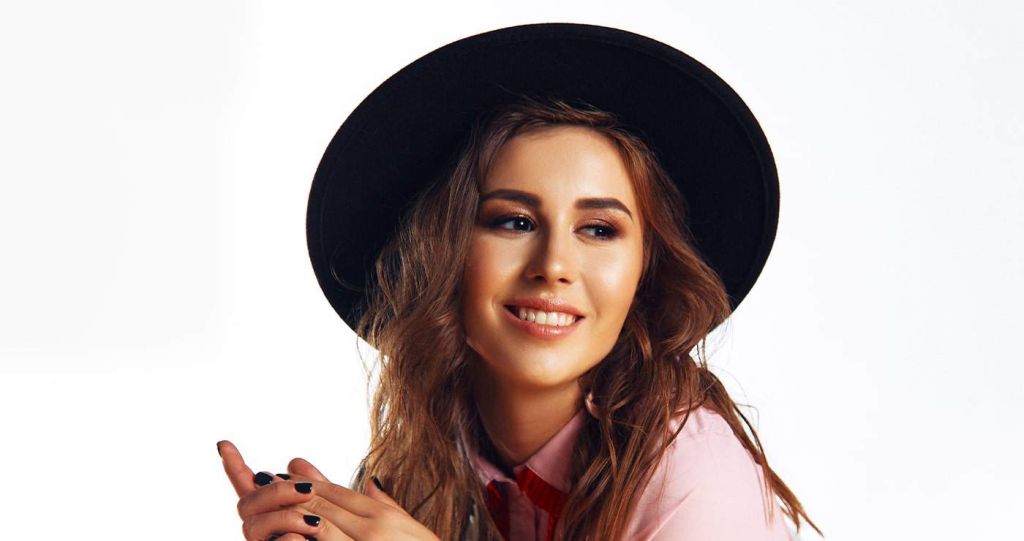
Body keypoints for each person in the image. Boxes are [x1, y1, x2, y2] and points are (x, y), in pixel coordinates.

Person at [218, 23, 822, 541]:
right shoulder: (439, 451)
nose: (553, 264)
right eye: (515, 221)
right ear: (444, 253)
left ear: (647, 270)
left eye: (599, 229)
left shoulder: (694, 472)